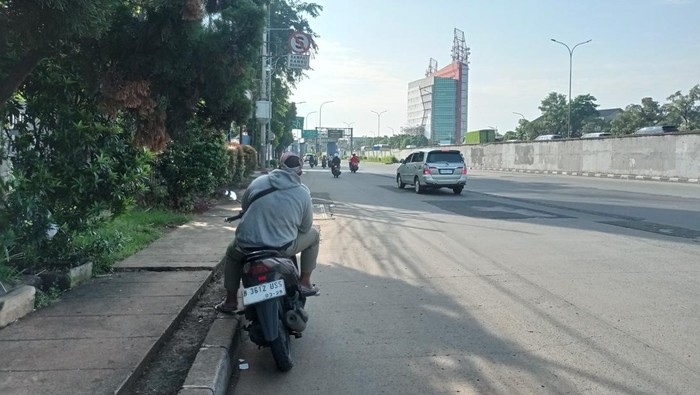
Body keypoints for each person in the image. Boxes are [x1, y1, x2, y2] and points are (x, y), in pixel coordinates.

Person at [215, 152, 320, 313]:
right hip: (282, 248)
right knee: (314, 235)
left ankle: (230, 301)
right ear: (299, 172)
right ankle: (305, 282)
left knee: (232, 253)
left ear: (279, 166)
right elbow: (305, 228)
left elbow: (245, 206)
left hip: (247, 246)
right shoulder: (302, 192)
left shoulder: (259, 182)